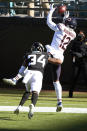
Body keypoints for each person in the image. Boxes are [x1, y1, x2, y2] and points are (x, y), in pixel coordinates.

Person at [45, 4, 77, 111]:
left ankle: (17, 77)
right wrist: (65, 19)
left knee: (36, 57)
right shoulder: (73, 35)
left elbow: (49, 22)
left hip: (51, 52)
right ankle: (59, 103)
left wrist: (51, 11)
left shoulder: (61, 26)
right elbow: (66, 30)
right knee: (56, 81)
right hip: (59, 57)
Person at [69, 30, 87, 98]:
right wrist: (75, 54)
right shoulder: (75, 42)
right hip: (76, 63)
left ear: (84, 35)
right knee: (74, 78)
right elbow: (70, 51)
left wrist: (82, 55)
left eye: (81, 35)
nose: (80, 36)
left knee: (86, 78)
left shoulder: (86, 42)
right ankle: (70, 94)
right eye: (79, 35)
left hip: (84, 62)